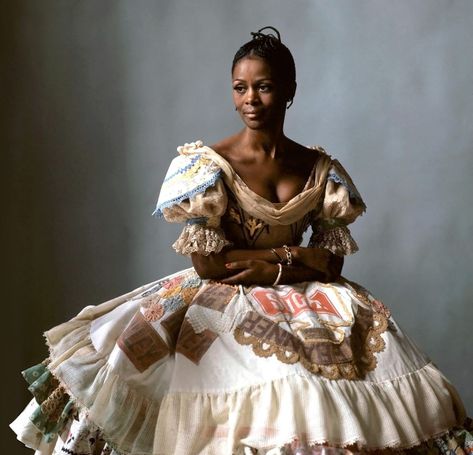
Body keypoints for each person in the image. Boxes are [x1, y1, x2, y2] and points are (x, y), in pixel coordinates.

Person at [11, 27, 471, 455]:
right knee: (248, 399)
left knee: (341, 391)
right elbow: (209, 266)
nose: (250, 99)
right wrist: (293, 256)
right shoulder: (206, 166)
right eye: (240, 87)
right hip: (224, 300)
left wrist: (275, 266)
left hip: (308, 301)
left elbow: (330, 264)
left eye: (264, 86)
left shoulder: (320, 169)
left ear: (289, 91)